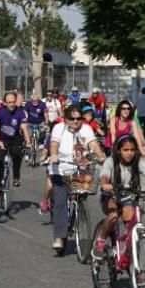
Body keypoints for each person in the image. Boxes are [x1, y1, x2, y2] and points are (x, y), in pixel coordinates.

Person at [94, 135, 145, 254]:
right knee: (113, 216)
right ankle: (101, 239)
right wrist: (105, 184)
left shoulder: (136, 162)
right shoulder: (111, 161)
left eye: (132, 150)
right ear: (118, 150)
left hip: (127, 198)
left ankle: (129, 255)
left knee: (131, 226)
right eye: (125, 150)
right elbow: (104, 175)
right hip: (110, 196)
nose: (129, 153)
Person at [47, 105, 106, 251]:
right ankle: (59, 236)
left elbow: (93, 144)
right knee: (60, 203)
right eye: (72, 118)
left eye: (78, 118)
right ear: (66, 119)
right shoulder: (58, 128)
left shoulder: (86, 129)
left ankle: (78, 216)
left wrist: (100, 155)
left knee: (81, 197)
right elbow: (54, 144)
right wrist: (54, 155)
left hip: (80, 171)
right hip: (60, 170)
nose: (75, 121)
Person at [0, 92, 32, 191]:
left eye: (13, 102)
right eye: (9, 102)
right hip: (2, 139)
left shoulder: (20, 112)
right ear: (4, 103)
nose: (12, 104)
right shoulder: (0, 112)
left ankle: (16, 177)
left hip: (15, 139)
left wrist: (28, 142)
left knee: (17, 154)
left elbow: (24, 128)